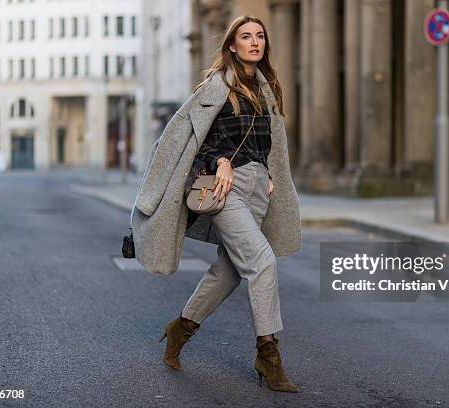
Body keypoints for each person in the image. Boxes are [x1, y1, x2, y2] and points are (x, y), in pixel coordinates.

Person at [158, 15, 300, 393]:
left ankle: (180, 328)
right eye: (245, 37)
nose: (254, 42)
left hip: (256, 188)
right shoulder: (217, 86)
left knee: (230, 271)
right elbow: (193, 138)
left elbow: (266, 143)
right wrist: (219, 161)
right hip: (224, 189)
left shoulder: (267, 88)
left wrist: (267, 172)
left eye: (260, 37)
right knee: (262, 261)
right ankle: (268, 354)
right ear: (232, 46)